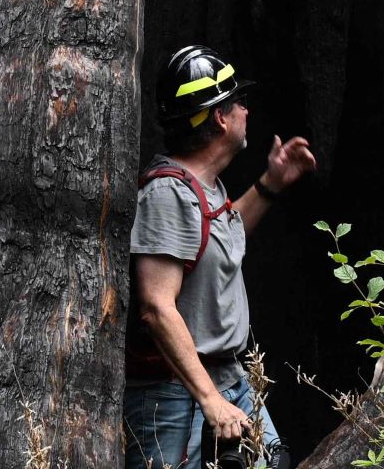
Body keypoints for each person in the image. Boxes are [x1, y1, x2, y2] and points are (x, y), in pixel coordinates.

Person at [124, 45, 316, 469]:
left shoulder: (204, 187)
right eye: (238, 101)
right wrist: (209, 399)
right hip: (176, 395)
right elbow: (156, 307)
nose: (247, 110)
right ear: (219, 118)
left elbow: (216, 238)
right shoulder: (167, 195)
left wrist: (270, 183)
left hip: (229, 379)